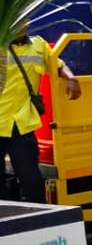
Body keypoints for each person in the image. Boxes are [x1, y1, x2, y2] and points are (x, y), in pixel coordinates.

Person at [1, 22, 81, 202]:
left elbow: (58, 65)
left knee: (31, 179)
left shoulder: (38, 46)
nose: (22, 24)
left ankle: (37, 221)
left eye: (25, 18)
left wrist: (71, 78)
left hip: (22, 124)